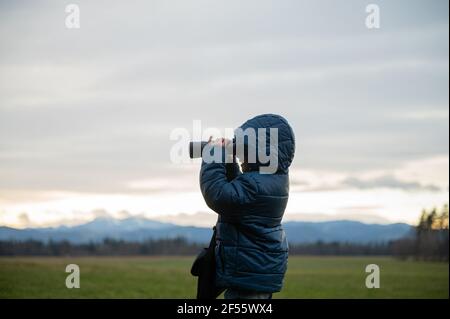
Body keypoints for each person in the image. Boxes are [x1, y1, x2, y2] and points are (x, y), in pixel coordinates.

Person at [199, 114, 295, 299]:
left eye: (244, 146)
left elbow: (218, 194)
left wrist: (213, 154)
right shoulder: (270, 178)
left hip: (250, 273)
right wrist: (227, 159)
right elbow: (238, 190)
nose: (241, 152)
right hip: (254, 270)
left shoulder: (257, 185)